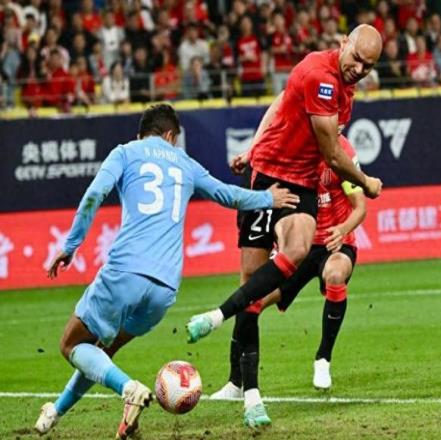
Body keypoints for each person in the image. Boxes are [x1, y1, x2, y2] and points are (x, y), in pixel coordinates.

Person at [33, 104, 299, 439]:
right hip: (165, 289)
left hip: (125, 273)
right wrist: (267, 198)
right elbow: (226, 194)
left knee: (70, 345)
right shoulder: (185, 162)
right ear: (171, 136)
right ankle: (55, 412)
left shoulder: (126, 152)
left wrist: (71, 245)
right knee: (100, 353)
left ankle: (129, 389)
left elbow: (94, 194)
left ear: (143, 133)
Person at [186, 24, 383, 425]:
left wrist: (251, 144)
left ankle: (217, 317)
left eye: (368, 65)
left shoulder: (345, 89)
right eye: (356, 58)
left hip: (301, 182)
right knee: (252, 283)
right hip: (269, 176)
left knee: (295, 250)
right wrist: (366, 181)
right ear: (343, 43)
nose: (359, 68)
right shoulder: (320, 77)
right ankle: (249, 394)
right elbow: (332, 154)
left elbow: (280, 101)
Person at [210, 136, 366, 427]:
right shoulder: (293, 150)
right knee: (251, 296)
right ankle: (235, 382)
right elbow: (270, 138)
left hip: (334, 243)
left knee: (335, 275)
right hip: (297, 247)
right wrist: (249, 155)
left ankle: (323, 359)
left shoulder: (341, 152)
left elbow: (360, 206)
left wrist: (342, 230)